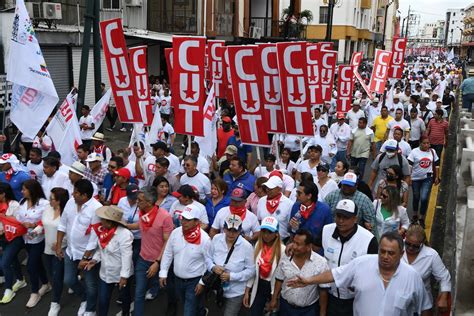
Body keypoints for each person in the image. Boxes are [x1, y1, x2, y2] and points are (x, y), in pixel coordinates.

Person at [287, 232, 432, 316]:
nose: (385, 256)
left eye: (391, 253)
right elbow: (334, 274)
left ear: (401, 254)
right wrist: (308, 280)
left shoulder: (412, 278)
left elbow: (425, 307)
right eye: (382, 251)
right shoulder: (361, 264)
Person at [316, 199, 378, 316]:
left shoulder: (368, 240)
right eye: (338, 216)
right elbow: (313, 248)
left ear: (355, 219)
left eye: (346, 217)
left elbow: (376, 271)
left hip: (355, 299)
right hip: (329, 296)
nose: (340, 220)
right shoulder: (326, 230)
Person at [56, 179, 102, 315]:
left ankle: (90, 309)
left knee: (91, 284)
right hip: (70, 251)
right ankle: (84, 298)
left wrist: (85, 258)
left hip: (88, 255)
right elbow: (62, 224)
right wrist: (59, 246)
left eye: (76, 193)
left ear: (85, 196)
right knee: (69, 280)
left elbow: (94, 239)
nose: (72, 194)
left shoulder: (96, 209)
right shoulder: (71, 202)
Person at [159, 204, 211, 316]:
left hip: (194, 281)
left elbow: (209, 264)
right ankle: (201, 311)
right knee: (188, 305)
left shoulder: (205, 239)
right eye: (183, 218)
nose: (184, 222)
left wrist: (202, 282)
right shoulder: (175, 233)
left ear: (197, 221)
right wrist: (163, 272)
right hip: (177, 280)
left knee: (188, 311)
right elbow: (168, 253)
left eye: (188, 220)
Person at [82, 206, 133, 316]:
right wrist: (94, 260)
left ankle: (126, 313)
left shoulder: (124, 234)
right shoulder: (104, 232)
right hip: (105, 273)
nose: (100, 221)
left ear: (109, 222)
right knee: (103, 300)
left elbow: (126, 256)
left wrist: (124, 277)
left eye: (103, 219)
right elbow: (101, 249)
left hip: (120, 273)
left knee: (125, 298)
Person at [269, 229, 330, 315]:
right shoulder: (286, 257)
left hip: (308, 311)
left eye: (298, 244)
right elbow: (279, 279)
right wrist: (274, 299)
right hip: (285, 308)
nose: (293, 246)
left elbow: (323, 290)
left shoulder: (321, 263)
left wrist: (322, 312)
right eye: (293, 242)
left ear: (308, 247)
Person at [133, 187, 174, 314]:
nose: (137, 202)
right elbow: (139, 225)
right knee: (139, 292)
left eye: (140, 200)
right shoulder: (143, 214)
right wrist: (124, 225)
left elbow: (168, 242)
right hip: (143, 258)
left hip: (160, 262)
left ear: (149, 202)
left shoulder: (165, 217)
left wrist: (157, 262)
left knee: (166, 290)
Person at [205, 214, 255, 316]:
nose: (231, 234)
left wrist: (231, 276)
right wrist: (213, 267)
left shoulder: (247, 247)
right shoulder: (216, 239)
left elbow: (251, 271)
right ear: (223, 228)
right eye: (228, 230)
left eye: (235, 231)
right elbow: (207, 258)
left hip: (235, 292)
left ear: (240, 230)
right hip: (216, 288)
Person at [13, 180, 50, 308]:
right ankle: (46, 283)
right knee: (37, 263)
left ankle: (34, 292)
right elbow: (18, 218)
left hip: (38, 240)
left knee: (31, 266)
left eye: (24, 189)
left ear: (32, 190)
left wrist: (33, 225)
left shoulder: (44, 204)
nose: (22, 191)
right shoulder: (22, 202)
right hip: (25, 239)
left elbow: (48, 221)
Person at [402, 224, 451, 312]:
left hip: (421, 306)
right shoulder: (396, 248)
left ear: (422, 243)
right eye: (408, 244)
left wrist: (443, 297)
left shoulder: (431, 255)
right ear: (405, 237)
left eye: (415, 246)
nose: (410, 248)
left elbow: (444, 277)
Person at [243, 217, 286, 316]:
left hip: (274, 288)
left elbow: (282, 275)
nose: (266, 235)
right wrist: (247, 291)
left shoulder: (282, 250)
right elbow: (253, 269)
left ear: (276, 233)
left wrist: (275, 297)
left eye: (270, 232)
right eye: (264, 231)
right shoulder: (258, 245)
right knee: (254, 312)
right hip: (259, 285)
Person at [36, 188, 69, 315]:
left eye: (52, 199)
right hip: (47, 249)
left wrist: (61, 243)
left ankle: (55, 303)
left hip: (60, 250)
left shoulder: (66, 213)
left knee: (56, 278)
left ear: (59, 201)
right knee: (52, 274)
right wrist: (36, 231)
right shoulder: (48, 209)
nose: (49, 200)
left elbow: (70, 231)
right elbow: (43, 223)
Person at [408, 136, 440, 226]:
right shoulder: (414, 152)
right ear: (420, 143)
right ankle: (415, 215)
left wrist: (437, 176)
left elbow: (437, 164)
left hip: (428, 178)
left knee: (424, 198)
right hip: (415, 179)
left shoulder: (432, 152)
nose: (427, 145)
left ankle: (421, 217)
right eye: (424, 143)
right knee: (416, 196)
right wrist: (409, 177)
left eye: (428, 143)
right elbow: (409, 165)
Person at [0, 183, 22, 304]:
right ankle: (20, 279)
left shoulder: (14, 205)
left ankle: (8, 290)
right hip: (2, 238)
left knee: (5, 263)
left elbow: (19, 222)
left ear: (3, 194)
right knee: (13, 260)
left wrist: (5, 217)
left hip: (15, 238)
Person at [257, 176, 294, 242]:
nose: (267, 190)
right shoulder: (261, 201)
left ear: (279, 189)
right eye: (267, 188)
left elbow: (290, 226)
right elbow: (259, 221)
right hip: (264, 241)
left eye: (271, 188)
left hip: (282, 242)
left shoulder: (289, 204)